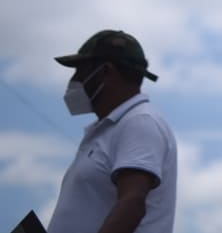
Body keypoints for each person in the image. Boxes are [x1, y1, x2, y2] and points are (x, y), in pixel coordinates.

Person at [49, 30, 178, 233]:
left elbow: (132, 204)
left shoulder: (139, 122)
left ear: (105, 72)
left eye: (79, 71)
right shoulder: (113, 127)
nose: (73, 80)